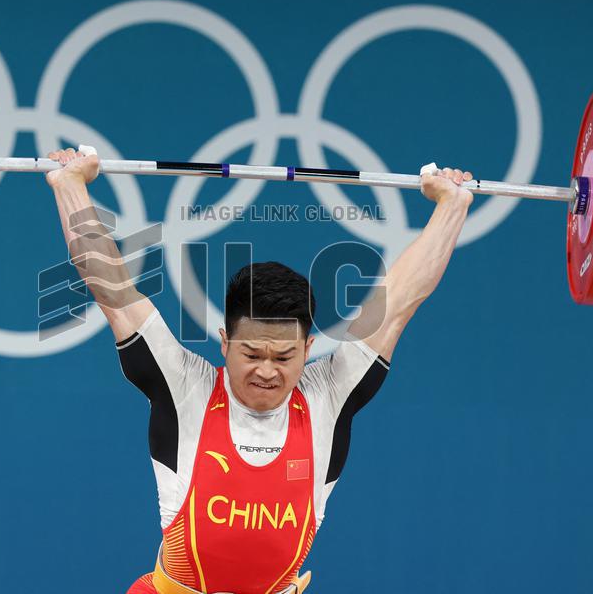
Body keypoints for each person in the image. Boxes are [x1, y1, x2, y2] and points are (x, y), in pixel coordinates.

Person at [45, 148, 474, 594]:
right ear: (225, 342)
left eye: (284, 358)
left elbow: (400, 299)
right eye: (251, 354)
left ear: (308, 349)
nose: (267, 371)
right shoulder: (185, 385)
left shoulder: (328, 392)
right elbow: (111, 287)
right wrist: (71, 185)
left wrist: (452, 206)